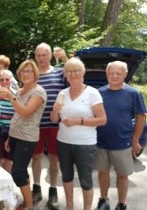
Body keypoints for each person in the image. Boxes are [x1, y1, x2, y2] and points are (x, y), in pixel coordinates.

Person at [50, 57, 107, 210]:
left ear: (83, 73)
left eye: (76, 71)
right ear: (65, 75)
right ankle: (69, 207)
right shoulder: (62, 93)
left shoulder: (92, 93)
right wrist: (55, 110)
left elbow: (102, 120)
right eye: (69, 71)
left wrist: (78, 121)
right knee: (67, 177)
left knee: (85, 180)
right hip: (63, 141)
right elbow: (54, 119)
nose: (73, 74)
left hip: (85, 144)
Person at [95, 61, 146, 210]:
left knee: (123, 176)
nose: (114, 76)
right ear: (106, 74)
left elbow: (141, 117)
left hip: (123, 143)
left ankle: (122, 203)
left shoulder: (133, 93)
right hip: (101, 142)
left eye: (118, 73)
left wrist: (135, 140)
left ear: (125, 74)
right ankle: (103, 200)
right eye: (111, 73)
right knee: (103, 173)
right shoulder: (99, 92)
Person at [0, 60, 46, 210]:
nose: (25, 74)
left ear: (35, 73)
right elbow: (16, 116)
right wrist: (10, 137)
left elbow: (25, 112)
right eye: (23, 71)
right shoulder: (19, 91)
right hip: (15, 136)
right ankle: (27, 201)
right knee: (22, 171)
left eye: (29, 71)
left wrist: (11, 97)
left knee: (18, 173)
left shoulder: (38, 92)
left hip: (27, 138)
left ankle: (29, 206)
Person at [32, 43, 68, 210]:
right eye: (38, 55)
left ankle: (53, 190)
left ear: (49, 55)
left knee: (54, 159)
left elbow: (75, 78)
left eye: (44, 55)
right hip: (36, 124)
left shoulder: (60, 72)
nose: (41, 58)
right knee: (36, 158)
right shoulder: (32, 74)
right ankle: (36, 188)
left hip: (56, 124)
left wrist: (65, 58)